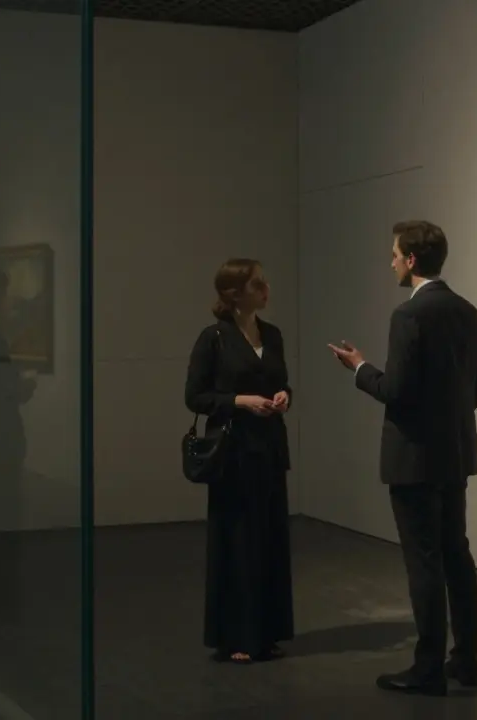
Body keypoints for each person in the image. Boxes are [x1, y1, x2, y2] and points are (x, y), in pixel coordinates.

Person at [328, 221, 477, 696]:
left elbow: (395, 391)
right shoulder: (469, 313)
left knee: (424, 563)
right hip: (454, 453)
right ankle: (465, 662)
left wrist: (359, 368)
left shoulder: (409, 315)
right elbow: (474, 393)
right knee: (456, 554)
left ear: (412, 260)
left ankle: (428, 669)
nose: (391, 261)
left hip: (414, 459)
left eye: (395, 254)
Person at [184, 258, 295, 664]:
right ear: (234, 293)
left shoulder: (273, 334)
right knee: (238, 543)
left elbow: (281, 381)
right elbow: (195, 397)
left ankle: (266, 632)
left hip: (269, 449)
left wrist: (284, 396)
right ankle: (236, 635)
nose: (265, 289)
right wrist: (240, 401)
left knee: (269, 540)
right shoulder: (213, 338)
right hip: (233, 452)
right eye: (256, 284)